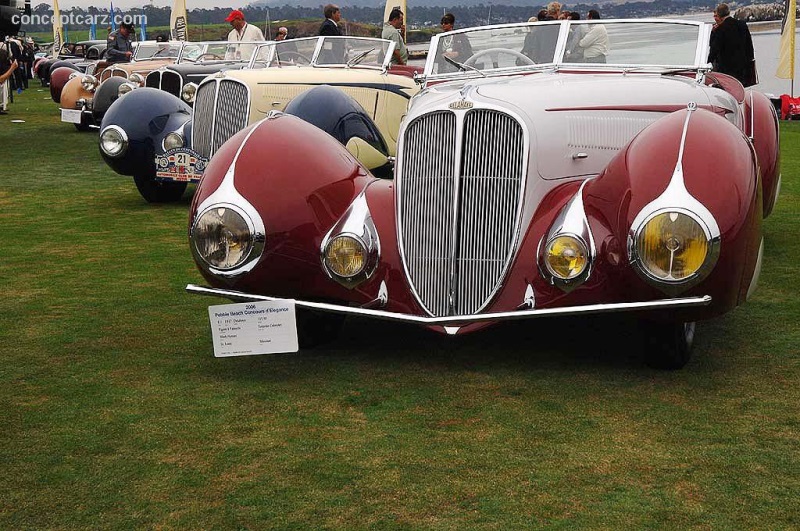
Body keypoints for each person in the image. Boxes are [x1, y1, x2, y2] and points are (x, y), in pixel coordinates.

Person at [708, 3, 756, 86]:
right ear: (728, 12)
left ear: (719, 14)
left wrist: (707, 62)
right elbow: (749, 46)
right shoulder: (742, 25)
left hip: (726, 68)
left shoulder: (720, 29)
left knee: (729, 90)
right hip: (743, 65)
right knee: (741, 89)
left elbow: (714, 48)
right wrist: (750, 61)